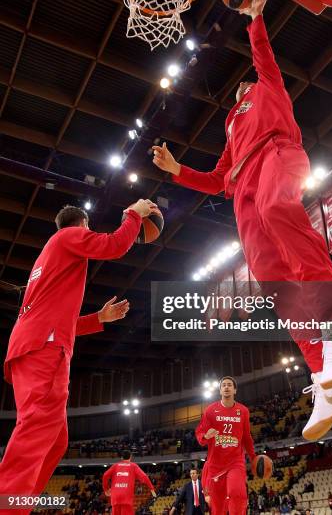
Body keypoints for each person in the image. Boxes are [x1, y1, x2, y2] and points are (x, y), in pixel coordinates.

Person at [152, 0, 332, 441]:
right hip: (241, 183)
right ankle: (325, 372)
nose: (240, 90)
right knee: (272, 280)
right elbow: (216, 178)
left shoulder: (268, 86)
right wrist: (178, 172)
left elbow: (263, 56)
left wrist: (254, 19)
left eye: (243, 86)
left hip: (277, 154)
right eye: (238, 92)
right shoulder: (230, 123)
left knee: (278, 208)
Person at [0, 199, 157, 508]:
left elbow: (58, 318)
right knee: (35, 430)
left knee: (55, 441)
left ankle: (18, 504)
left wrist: (98, 319)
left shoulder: (49, 256)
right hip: (44, 347)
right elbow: (113, 245)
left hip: (30, 346)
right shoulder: (67, 237)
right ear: (83, 225)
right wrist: (133, 215)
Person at [195, 376, 256, 515]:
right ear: (220, 390)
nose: (226, 387)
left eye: (229, 385)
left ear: (235, 390)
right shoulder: (210, 410)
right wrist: (206, 436)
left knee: (237, 493)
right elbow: (200, 432)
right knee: (218, 508)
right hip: (216, 464)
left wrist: (253, 457)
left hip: (236, 461)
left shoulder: (243, 411)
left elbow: (247, 437)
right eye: (224, 385)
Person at [102, 450, 156, 514]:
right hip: (126, 497)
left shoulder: (115, 466)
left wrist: (106, 489)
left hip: (115, 497)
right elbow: (144, 477)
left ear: (121, 458)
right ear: (130, 457)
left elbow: (105, 475)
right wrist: (151, 488)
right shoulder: (133, 466)